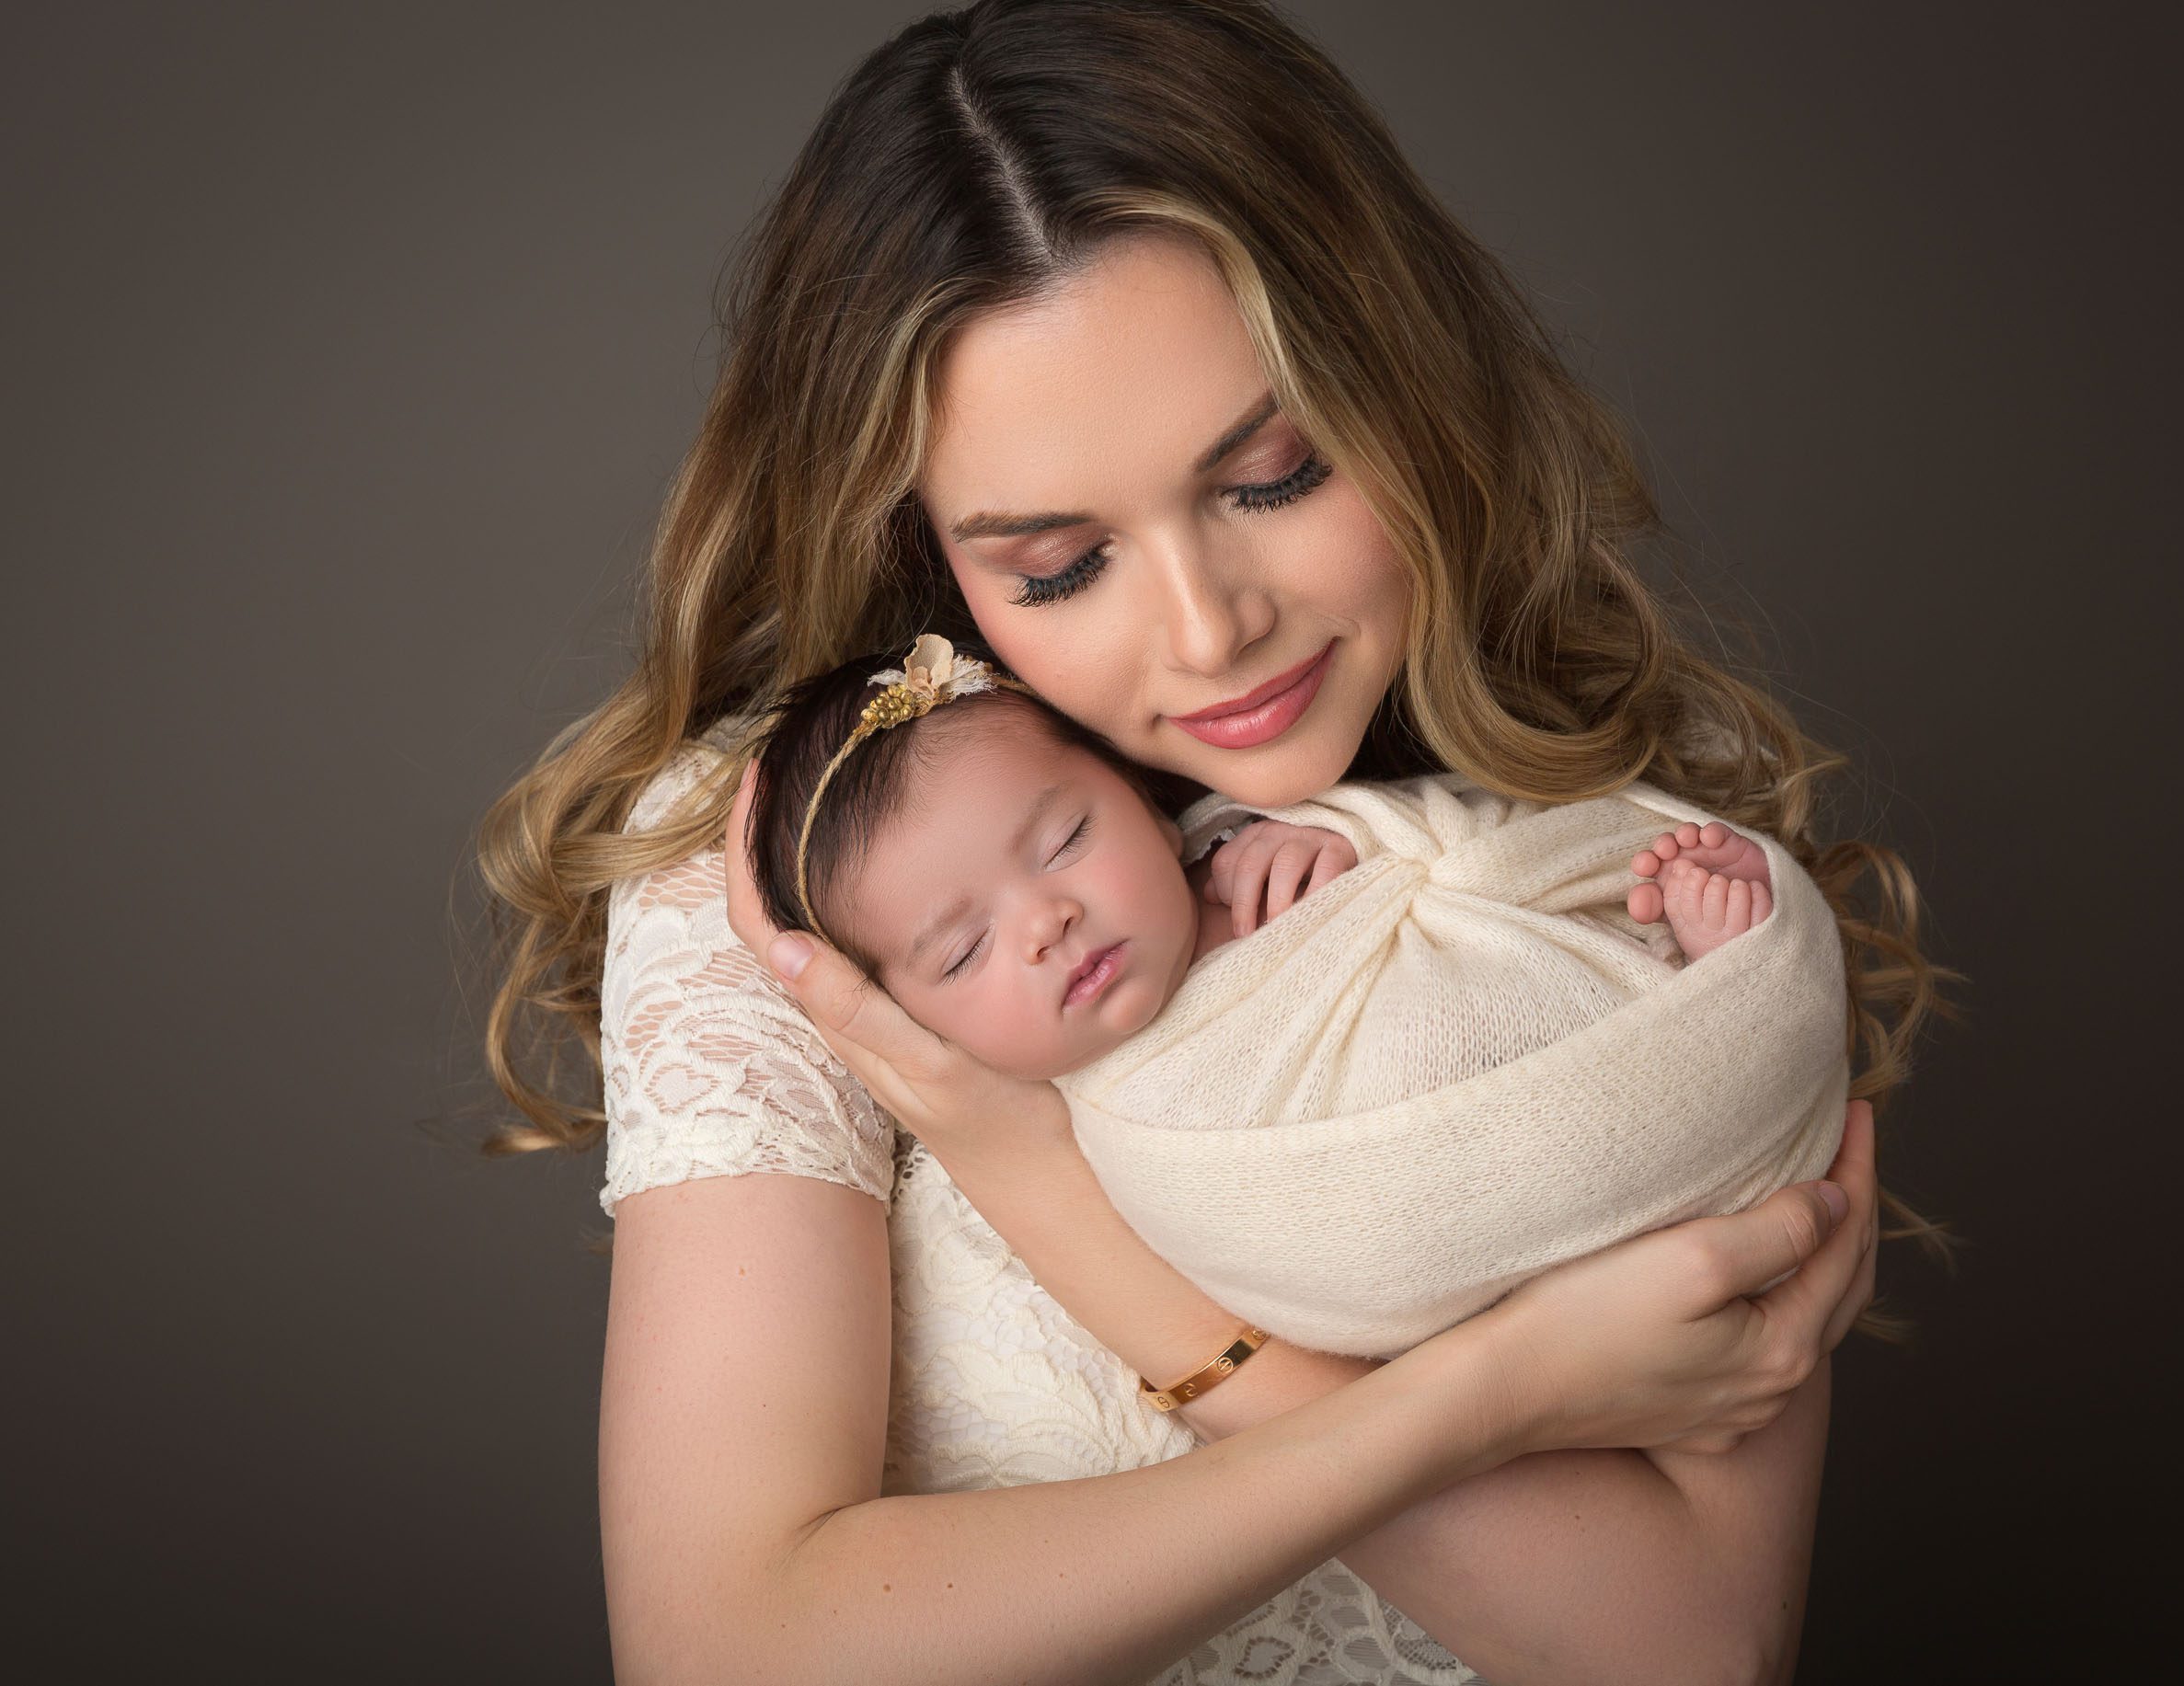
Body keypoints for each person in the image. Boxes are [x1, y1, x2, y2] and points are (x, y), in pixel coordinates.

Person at [477, 3, 1942, 1679]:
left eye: (1273, 474)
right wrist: (1501, 1387)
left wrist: (1064, 1191)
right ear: (934, 559)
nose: (1209, 629)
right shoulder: (809, 898)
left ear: (1406, 392)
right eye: (1056, 565)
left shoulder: (1634, 820)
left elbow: (1681, 1648)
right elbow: (728, 1652)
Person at [739, 633, 1834, 1365]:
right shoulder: (1120, 1126)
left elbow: (1450, 834)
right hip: (1439, 1210)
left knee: (1552, 898)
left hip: (1574, 1038)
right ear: (915, 1024)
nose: (1046, 922)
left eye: (1067, 839)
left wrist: (1346, 833)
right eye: (964, 948)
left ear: (1137, 793)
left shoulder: (1249, 838)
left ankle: (1693, 968)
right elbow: (1294, 1252)